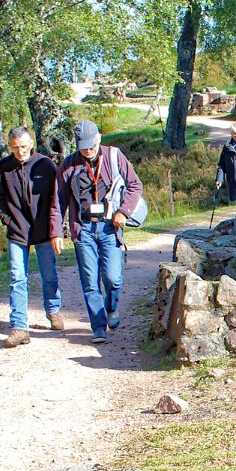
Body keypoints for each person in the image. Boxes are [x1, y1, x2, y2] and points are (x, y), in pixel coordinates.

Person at [57, 120, 144, 342]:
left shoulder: (115, 156)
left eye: (91, 145)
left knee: (113, 278)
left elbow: (135, 186)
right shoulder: (68, 166)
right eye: (83, 147)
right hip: (83, 229)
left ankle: (111, 307)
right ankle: (98, 327)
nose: (88, 150)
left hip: (109, 226)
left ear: (99, 138)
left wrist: (123, 212)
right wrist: (56, 232)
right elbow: (58, 202)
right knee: (90, 282)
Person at [0, 124, 64, 348]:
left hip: (43, 231)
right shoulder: (3, 168)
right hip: (17, 232)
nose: (20, 151)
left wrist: (55, 229)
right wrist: (8, 220)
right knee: (17, 277)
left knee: (49, 275)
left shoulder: (45, 165)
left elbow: (57, 199)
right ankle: (19, 326)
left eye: (23, 146)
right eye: (15, 148)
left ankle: (53, 310)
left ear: (30, 143)